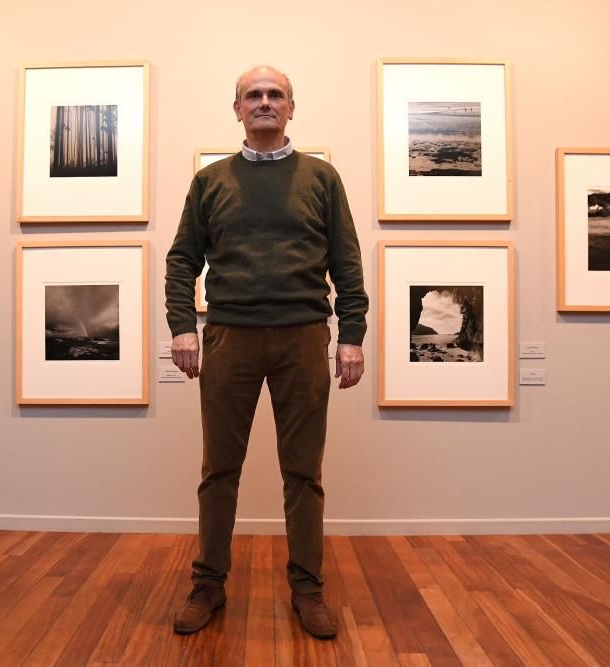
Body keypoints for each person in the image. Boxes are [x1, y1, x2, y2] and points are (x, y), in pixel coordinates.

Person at [164, 65, 368, 640]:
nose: (264, 102)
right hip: (229, 336)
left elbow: (347, 265)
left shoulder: (321, 179)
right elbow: (182, 260)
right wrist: (183, 326)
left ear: (291, 107)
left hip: (303, 336)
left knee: (304, 471)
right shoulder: (212, 181)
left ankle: (307, 588)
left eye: (274, 94)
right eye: (252, 95)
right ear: (236, 110)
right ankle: (208, 584)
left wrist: (351, 334)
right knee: (219, 470)